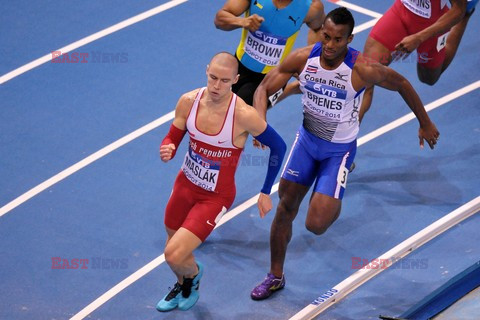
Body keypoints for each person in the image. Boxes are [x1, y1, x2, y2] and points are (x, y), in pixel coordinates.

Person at [249, 7, 440, 300]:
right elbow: (263, 88)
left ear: (349, 39)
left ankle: (339, 178)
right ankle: (275, 275)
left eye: (338, 39)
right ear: (320, 32)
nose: (330, 44)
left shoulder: (362, 68)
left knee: (316, 224)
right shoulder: (303, 58)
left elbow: (401, 83)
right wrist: (261, 125)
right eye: (326, 36)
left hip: (338, 152)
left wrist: (425, 123)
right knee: (285, 207)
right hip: (306, 143)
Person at [155, 52, 287, 311]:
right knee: (173, 247)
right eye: (213, 78)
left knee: (173, 254)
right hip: (185, 185)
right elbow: (172, 136)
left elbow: (279, 147)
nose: (216, 86)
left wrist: (265, 191)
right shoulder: (188, 101)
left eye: (224, 81)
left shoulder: (243, 115)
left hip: (214, 197)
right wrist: (167, 147)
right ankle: (183, 283)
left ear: (235, 80)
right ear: (206, 71)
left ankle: (192, 278)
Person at [359, 0, 478, 122]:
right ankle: (346, 133)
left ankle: (467, 14)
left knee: (428, 78)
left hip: (434, 23)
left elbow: (458, 10)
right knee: (365, 75)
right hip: (401, 13)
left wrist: (419, 37)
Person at [214, 0, 325, 106]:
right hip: (239, 67)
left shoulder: (311, 7)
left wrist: (311, 64)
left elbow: (319, 29)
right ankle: (291, 88)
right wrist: (242, 22)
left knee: (238, 113)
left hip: (274, 78)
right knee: (224, 104)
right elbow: (219, 20)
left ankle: (283, 89)